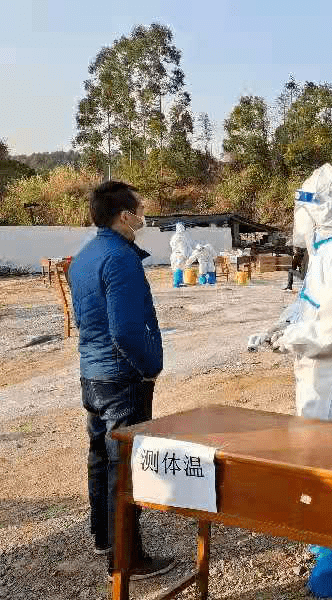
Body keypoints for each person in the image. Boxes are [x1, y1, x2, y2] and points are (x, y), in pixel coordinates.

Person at [247, 164, 332, 597]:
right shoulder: (328, 250)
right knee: (318, 454)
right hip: (322, 373)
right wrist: (281, 324)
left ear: (324, 209)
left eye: (304, 208)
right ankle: (326, 533)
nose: (299, 219)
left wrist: (291, 339)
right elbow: (310, 302)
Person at [67, 181, 174, 580]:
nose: (144, 212)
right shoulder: (120, 259)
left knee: (100, 460)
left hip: (92, 374)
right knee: (123, 467)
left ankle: (104, 539)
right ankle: (127, 557)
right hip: (122, 377)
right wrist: (150, 367)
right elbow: (127, 330)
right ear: (125, 215)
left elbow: (86, 322)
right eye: (140, 206)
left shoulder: (84, 257)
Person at [169, 222, 192, 287]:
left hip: (174, 255)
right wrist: (186, 256)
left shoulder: (174, 237)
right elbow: (183, 247)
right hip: (180, 255)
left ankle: (178, 282)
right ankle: (177, 283)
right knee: (179, 268)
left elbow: (171, 244)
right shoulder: (181, 237)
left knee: (176, 268)